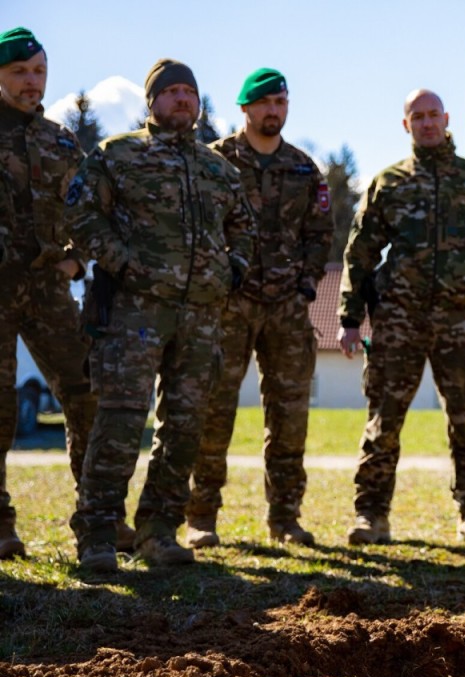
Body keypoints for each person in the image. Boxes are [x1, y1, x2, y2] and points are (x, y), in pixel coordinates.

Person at [65, 58, 255, 572]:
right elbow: (81, 213)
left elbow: (245, 228)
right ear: (151, 101)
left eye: (188, 93)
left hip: (200, 317)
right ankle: (99, 535)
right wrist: (121, 260)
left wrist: (231, 270)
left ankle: (158, 531)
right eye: (169, 92)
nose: (181, 100)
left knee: (185, 427)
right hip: (133, 312)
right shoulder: (119, 155)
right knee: (121, 421)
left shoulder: (218, 168)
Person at [337, 89, 465, 547]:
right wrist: (350, 318)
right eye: (417, 117)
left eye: (433, 115)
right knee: (383, 422)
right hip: (397, 320)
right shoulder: (390, 182)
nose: (426, 123)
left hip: (458, 321)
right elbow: (360, 250)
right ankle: (371, 515)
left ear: (446, 119)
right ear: (406, 124)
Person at [184, 68, 333, 549]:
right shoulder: (215, 162)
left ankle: (285, 519)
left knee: (289, 418)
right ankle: (201, 517)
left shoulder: (305, 168)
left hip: (287, 308)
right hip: (228, 305)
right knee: (214, 412)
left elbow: (320, 235)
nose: (274, 110)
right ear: (244, 107)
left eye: (281, 102)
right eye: (265, 102)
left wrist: (306, 288)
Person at [0, 27, 98, 561]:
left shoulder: (62, 141)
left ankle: (95, 520)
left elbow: (88, 212)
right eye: (19, 72)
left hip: (46, 286)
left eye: (38, 71)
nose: (31, 81)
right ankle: (1, 526)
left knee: (85, 392)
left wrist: (76, 258)